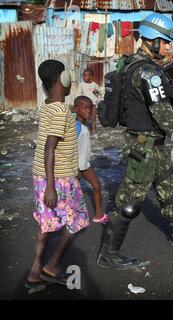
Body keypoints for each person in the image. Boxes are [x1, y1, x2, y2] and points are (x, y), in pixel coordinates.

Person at [96, 13, 173, 270]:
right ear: (152, 40)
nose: (169, 46)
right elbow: (163, 115)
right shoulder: (149, 73)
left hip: (151, 144)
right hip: (144, 148)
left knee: (170, 192)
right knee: (128, 203)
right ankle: (108, 253)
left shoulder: (131, 64)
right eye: (166, 42)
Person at [27, 60, 90, 289]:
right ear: (64, 79)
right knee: (78, 221)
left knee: (46, 224)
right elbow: (49, 148)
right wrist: (52, 186)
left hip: (42, 175)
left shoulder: (47, 106)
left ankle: (35, 271)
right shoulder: (62, 110)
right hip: (59, 179)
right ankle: (52, 264)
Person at [73, 95, 110, 224]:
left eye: (90, 108)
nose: (88, 111)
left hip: (84, 164)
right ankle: (71, 220)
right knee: (73, 193)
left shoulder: (82, 125)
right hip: (76, 166)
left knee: (96, 185)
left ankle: (99, 215)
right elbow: (70, 147)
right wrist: (75, 168)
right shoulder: (75, 126)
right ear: (76, 109)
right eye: (85, 108)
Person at [76, 68, 102, 135]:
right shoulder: (81, 85)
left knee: (93, 118)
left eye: (87, 75)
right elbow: (78, 95)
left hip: (92, 104)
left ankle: (94, 130)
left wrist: (97, 92)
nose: (85, 77)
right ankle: (82, 130)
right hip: (84, 105)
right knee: (83, 118)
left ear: (91, 77)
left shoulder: (94, 84)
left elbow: (99, 92)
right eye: (84, 75)